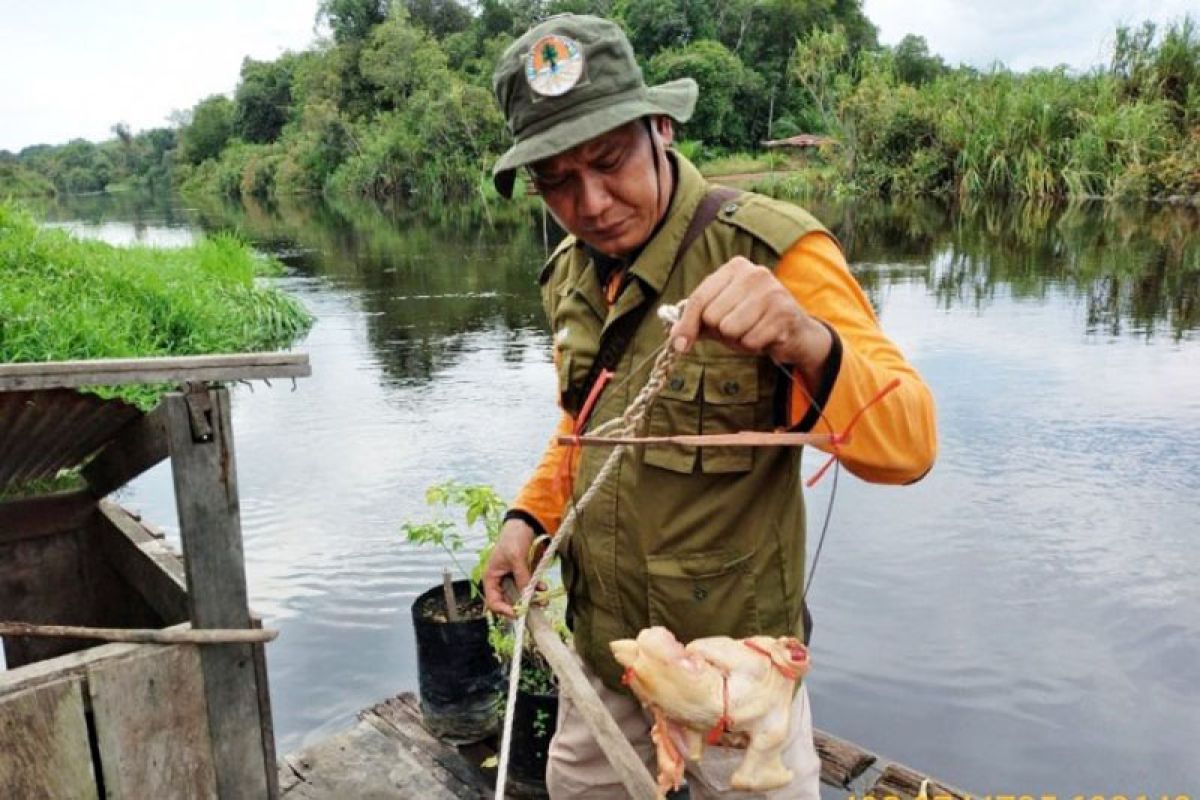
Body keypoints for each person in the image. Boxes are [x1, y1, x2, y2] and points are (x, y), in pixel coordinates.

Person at [482, 14, 937, 799]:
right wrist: (527, 520)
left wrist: (805, 339)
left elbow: (910, 446)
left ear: (659, 128)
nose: (589, 202)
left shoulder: (775, 252)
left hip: (738, 686)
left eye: (608, 159)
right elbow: (585, 427)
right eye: (555, 179)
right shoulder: (568, 274)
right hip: (609, 660)